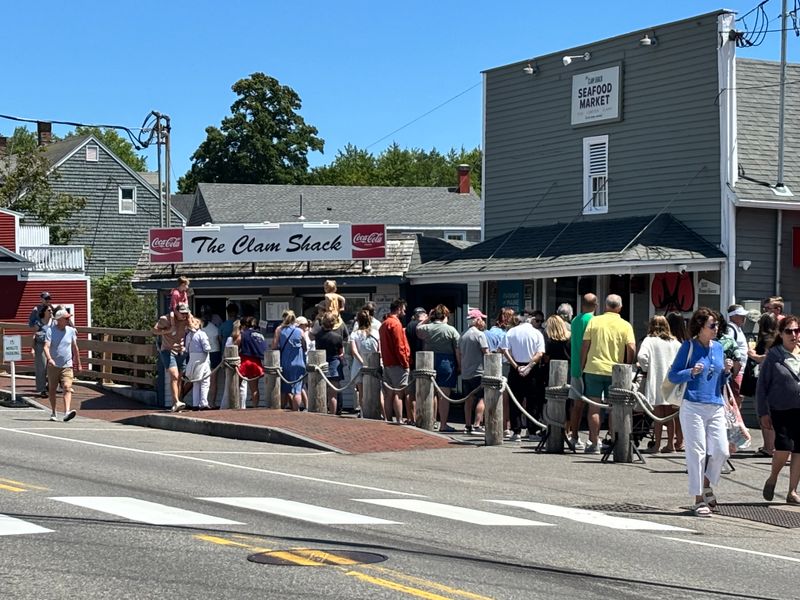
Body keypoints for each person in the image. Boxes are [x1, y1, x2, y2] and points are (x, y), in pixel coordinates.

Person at [667, 307, 733, 517]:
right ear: (700, 327)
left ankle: (706, 485)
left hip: (715, 404)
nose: (716, 329)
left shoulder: (719, 348)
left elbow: (720, 380)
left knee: (722, 450)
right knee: (697, 452)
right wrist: (690, 372)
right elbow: (674, 375)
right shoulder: (688, 346)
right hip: (693, 404)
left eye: (717, 325)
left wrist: (728, 372)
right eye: (712, 325)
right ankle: (697, 499)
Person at [580, 294, 635, 453]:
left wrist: (583, 364)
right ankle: (612, 439)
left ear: (605, 306)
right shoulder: (625, 325)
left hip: (593, 368)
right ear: (620, 307)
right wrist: (627, 365)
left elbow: (585, 346)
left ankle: (594, 442)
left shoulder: (594, 321)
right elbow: (631, 347)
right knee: (614, 407)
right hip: (615, 371)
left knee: (594, 408)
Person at [757, 315, 800, 505]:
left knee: (799, 450)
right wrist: (762, 412)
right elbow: (762, 387)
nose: (794, 335)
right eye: (789, 331)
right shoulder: (774, 356)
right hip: (780, 408)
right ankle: (773, 477)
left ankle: (792, 491)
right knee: (784, 447)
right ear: (781, 334)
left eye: (797, 331)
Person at [637, 315, 681, 453]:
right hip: (672, 381)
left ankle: (656, 445)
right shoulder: (675, 342)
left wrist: (647, 368)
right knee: (670, 414)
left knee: (658, 416)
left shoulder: (649, 340)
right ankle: (670, 444)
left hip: (657, 379)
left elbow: (641, 357)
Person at [417, 304, 461, 432]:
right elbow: (458, 350)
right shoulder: (451, 330)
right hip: (446, 363)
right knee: (443, 395)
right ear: (445, 316)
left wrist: (427, 318)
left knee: (428, 393)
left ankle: (428, 421)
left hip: (428, 362)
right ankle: (443, 424)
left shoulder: (427, 328)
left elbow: (417, 329)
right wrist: (459, 365)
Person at [505, 313, 545, 442]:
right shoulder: (537, 333)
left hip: (515, 367)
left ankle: (516, 431)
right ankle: (532, 431)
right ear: (531, 320)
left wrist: (516, 366)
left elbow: (504, 350)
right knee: (533, 401)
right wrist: (529, 366)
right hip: (532, 369)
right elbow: (540, 353)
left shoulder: (511, 331)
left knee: (515, 400)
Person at [745, 312, 779, 457]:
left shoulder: (768, 340)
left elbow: (766, 358)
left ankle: (768, 447)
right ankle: (772, 446)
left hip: (765, 381)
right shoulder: (779, 338)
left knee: (764, 414)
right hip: (776, 382)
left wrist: (753, 355)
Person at [568, 294, 596, 450]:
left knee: (576, 405)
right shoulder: (593, 321)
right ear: (596, 305)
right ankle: (593, 439)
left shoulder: (575, 320)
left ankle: (574, 436)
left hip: (575, 367)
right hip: (589, 367)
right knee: (594, 405)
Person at [44, 308, 82, 422]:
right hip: (53, 365)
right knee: (52, 389)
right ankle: (54, 411)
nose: (68, 320)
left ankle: (67, 412)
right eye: (66, 318)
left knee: (67, 386)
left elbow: (75, 348)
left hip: (67, 365)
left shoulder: (71, 331)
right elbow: (46, 347)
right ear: (59, 320)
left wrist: (78, 363)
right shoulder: (50, 331)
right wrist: (49, 359)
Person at [152, 302, 191, 412]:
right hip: (168, 350)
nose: (184, 315)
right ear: (176, 311)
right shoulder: (165, 319)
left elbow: (195, 324)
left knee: (179, 378)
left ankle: (177, 402)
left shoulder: (187, 319)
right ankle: (176, 401)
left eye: (186, 313)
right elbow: (154, 330)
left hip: (181, 351)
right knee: (174, 375)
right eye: (182, 313)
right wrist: (167, 330)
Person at [379, 299, 410, 424]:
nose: (405, 311)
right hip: (397, 363)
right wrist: (405, 363)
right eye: (403, 308)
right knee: (398, 393)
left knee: (389, 394)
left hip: (387, 362)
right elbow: (400, 347)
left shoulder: (384, 324)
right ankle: (399, 419)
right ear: (399, 308)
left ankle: (388, 418)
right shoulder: (395, 324)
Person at [459, 308, 489, 434]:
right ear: (476, 320)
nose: (482, 321)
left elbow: (459, 353)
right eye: (481, 318)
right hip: (479, 372)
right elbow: (486, 352)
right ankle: (477, 424)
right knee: (482, 398)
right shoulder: (479, 335)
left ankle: (467, 425)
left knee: (468, 399)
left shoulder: (463, 335)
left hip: (466, 372)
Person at [350, 309, 381, 417]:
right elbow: (379, 350)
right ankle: (378, 413)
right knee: (376, 391)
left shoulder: (355, 334)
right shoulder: (376, 333)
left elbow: (354, 351)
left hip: (359, 366)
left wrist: (363, 362)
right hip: (374, 365)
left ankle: (364, 413)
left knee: (362, 393)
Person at [276, 310, 306, 411]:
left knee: (284, 389)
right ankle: (296, 410)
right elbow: (305, 346)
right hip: (299, 363)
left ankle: (282, 408)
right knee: (297, 390)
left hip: (285, 363)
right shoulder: (300, 331)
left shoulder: (279, 330)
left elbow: (274, 345)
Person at [315, 312, 345, 414]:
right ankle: (332, 415)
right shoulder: (337, 337)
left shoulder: (318, 336)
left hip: (321, 364)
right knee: (333, 394)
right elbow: (341, 353)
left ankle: (322, 412)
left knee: (322, 392)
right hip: (334, 365)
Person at [404, 306, 428, 424]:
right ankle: (425, 418)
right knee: (424, 392)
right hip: (424, 362)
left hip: (411, 361)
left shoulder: (408, 326)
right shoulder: (424, 326)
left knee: (410, 393)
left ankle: (410, 418)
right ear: (422, 315)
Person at [239, 316, 267, 408]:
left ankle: (236, 405)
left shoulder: (243, 334)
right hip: (256, 363)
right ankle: (255, 406)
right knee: (254, 389)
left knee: (236, 385)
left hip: (244, 361)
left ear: (243, 325)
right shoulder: (260, 335)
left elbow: (238, 347)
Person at [184, 316, 211, 410]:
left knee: (195, 383)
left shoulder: (188, 336)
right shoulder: (202, 334)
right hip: (202, 360)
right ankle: (203, 403)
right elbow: (207, 348)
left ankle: (195, 404)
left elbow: (186, 349)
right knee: (205, 382)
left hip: (192, 359)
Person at [220, 319, 248, 409]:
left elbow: (226, 352)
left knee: (228, 385)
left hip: (230, 364)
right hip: (241, 363)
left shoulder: (230, 339)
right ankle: (242, 406)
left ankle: (225, 406)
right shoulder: (244, 337)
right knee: (243, 386)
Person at [30, 303, 54, 397]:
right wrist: (32, 349)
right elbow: (34, 335)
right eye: (49, 310)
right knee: (41, 368)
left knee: (52, 368)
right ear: (44, 312)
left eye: (51, 310)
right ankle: (42, 389)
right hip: (40, 346)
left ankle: (51, 386)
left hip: (52, 346)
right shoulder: (39, 323)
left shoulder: (54, 323)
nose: (51, 312)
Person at [200, 307, 221, 407]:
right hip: (215, 352)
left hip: (203, 354)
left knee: (202, 379)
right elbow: (219, 340)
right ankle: (211, 402)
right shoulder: (214, 328)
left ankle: (202, 401)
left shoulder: (198, 329)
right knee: (213, 380)